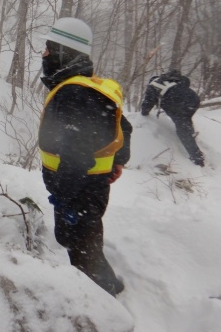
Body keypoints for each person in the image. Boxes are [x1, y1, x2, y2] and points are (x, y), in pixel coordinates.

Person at [38, 17, 132, 297]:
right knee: (83, 242)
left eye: (48, 49)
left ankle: (101, 301)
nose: (43, 55)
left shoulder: (75, 93)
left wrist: (63, 195)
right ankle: (103, 291)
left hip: (79, 190)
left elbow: (77, 153)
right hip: (89, 187)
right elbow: (124, 127)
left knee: (83, 252)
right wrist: (117, 161)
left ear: (63, 52)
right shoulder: (87, 87)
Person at [140, 69, 205, 166]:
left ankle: (197, 158)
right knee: (186, 119)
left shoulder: (153, 86)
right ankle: (190, 134)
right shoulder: (171, 79)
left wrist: (143, 113)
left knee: (182, 130)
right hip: (194, 99)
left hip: (176, 103)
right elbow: (186, 81)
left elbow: (146, 107)